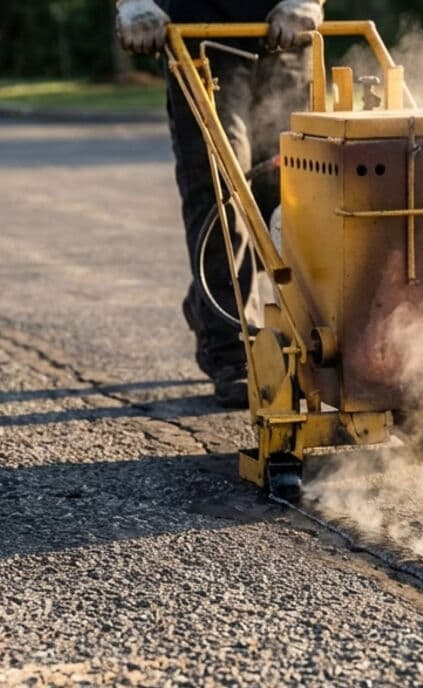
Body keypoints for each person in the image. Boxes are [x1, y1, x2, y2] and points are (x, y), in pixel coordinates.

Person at [115, 0, 323, 407]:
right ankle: (232, 350)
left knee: (297, 196)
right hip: (202, 40)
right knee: (222, 194)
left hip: (288, 39)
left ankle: (306, 341)